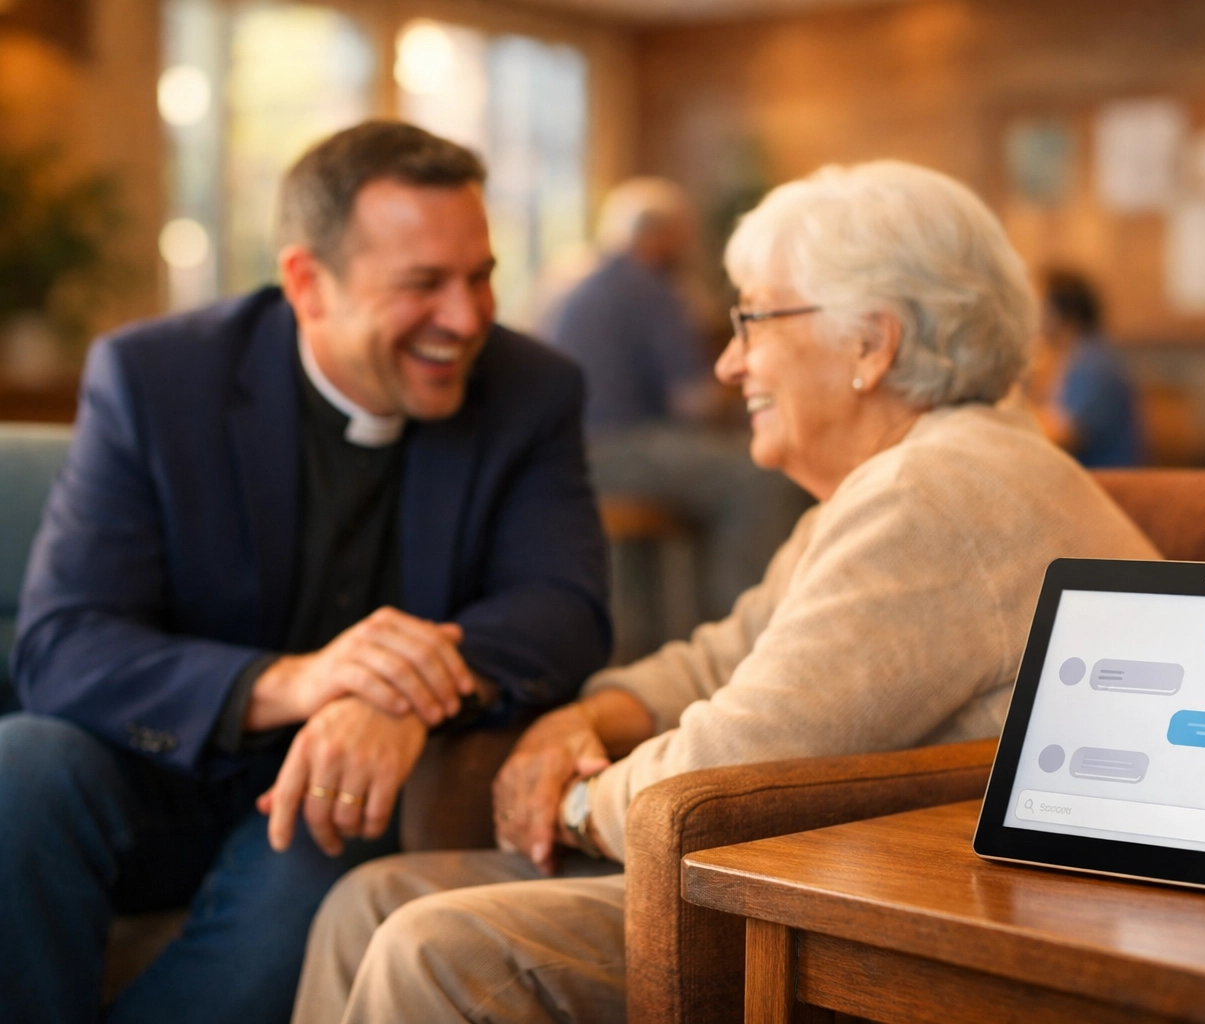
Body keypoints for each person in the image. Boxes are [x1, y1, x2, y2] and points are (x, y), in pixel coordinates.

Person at [292, 160, 1160, 1024]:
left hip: (887, 913)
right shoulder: (897, 479)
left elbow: (737, 755)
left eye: (753, 319)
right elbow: (725, 652)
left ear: (871, 343)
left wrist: (566, 801)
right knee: (366, 903)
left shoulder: (934, 495)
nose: (729, 361)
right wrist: (590, 718)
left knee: (428, 946)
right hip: (804, 868)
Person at [0, 121, 610, 1024]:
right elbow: (61, 645)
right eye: (423, 284)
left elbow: (564, 607)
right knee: (20, 763)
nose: (469, 316)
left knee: (335, 825)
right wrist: (299, 681)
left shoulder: (531, 389)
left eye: (479, 275)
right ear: (306, 284)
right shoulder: (156, 378)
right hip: (154, 773)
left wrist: (395, 692)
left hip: (345, 790)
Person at [543, 177, 811, 623]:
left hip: (568, 454)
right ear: (661, 234)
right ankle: (750, 625)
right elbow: (694, 403)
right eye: (682, 234)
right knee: (759, 473)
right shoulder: (649, 286)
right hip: (615, 449)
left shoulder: (584, 283)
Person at [1006, 269, 1144, 467]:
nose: (1030, 314)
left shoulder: (1094, 363)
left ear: (1061, 312)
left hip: (1109, 483)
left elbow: (1061, 436)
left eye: (1037, 303)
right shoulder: (1074, 355)